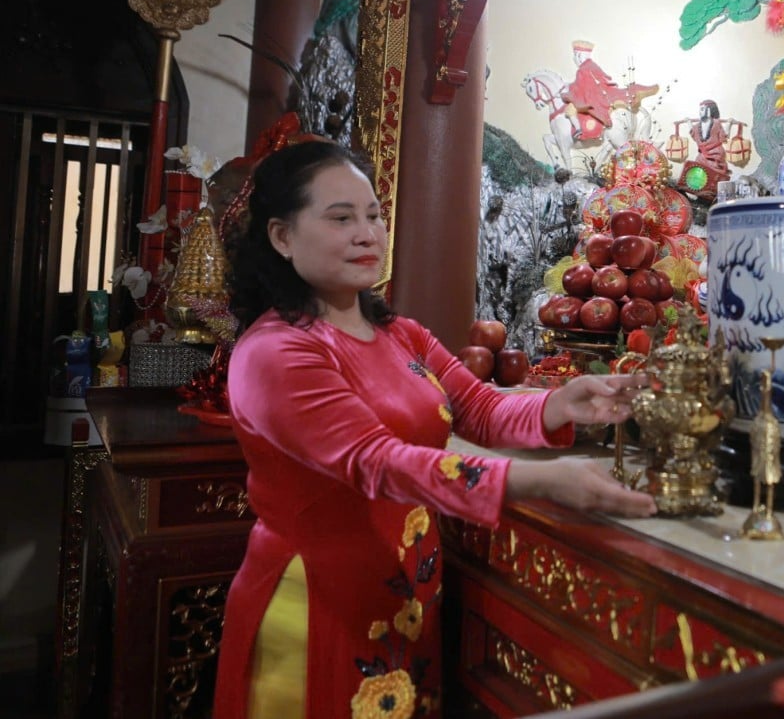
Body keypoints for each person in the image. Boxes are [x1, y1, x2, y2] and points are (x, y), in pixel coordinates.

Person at [213, 140, 655, 718]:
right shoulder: (276, 352)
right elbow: (379, 462)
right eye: (340, 218)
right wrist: (536, 482)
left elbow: (481, 410)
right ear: (282, 236)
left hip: (405, 593)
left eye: (373, 215)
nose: (367, 233)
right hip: (318, 600)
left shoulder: (402, 336)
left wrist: (563, 405)